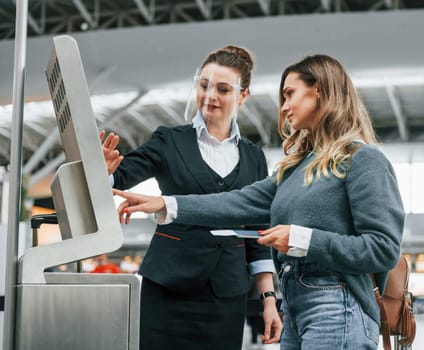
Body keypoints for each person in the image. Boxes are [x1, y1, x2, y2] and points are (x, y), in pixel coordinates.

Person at [113, 54, 405, 350]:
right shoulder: (294, 170)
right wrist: (165, 204)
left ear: (318, 89)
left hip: (338, 307)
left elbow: (383, 249)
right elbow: (235, 203)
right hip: (296, 308)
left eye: (290, 94)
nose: (284, 106)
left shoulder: (363, 160)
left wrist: (301, 238)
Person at [102, 45, 282, 350]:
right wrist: (103, 171)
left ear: (243, 95)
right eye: (204, 85)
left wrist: (268, 300)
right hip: (168, 288)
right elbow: (119, 177)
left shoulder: (254, 158)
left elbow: (257, 237)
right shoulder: (168, 140)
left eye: (223, 89)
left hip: (226, 296)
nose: (210, 96)